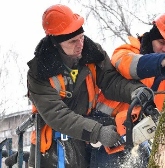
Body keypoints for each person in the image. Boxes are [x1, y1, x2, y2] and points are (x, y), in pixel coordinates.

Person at [26, 4, 151, 168]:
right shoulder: (39, 73)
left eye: (81, 38)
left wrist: (135, 91)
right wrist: (98, 132)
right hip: (52, 151)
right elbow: (57, 116)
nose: (80, 44)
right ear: (56, 44)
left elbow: (111, 81)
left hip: (85, 139)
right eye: (72, 41)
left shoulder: (92, 54)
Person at [90, 13, 165, 168]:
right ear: (151, 37)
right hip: (107, 131)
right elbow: (132, 67)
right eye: (161, 42)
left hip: (137, 138)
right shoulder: (127, 51)